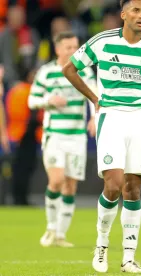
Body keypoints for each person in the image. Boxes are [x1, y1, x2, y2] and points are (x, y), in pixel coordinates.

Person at [62, 0, 141, 273]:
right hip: (112, 116)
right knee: (114, 184)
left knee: (133, 189)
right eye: (136, 11)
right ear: (123, 14)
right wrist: (94, 98)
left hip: (140, 119)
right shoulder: (102, 42)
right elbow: (69, 69)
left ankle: (128, 258)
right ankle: (102, 245)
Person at [29, 31, 96, 248]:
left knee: (70, 186)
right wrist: (49, 100)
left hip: (76, 137)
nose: (72, 51)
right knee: (56, 181)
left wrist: (94, 118)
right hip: (54, 134)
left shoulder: (83, 72)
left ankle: (60, 235)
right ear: (58, 49)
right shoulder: (46, 72)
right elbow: (32, 100)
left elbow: (94, 96)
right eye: (68, 47)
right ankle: (50, 228)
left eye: (75, 46)